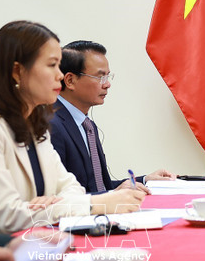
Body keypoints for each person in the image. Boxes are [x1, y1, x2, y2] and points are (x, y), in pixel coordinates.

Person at [0, 21, 145, 234]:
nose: (60, 76)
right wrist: (91, 205)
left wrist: (54, 203)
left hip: (40, 246)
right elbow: (6, 216)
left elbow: (72, 188)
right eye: (51, 65)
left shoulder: (36, 129)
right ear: (18, 71)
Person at [49, 41, 174, 194]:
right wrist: (111, 195)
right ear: (70, 80)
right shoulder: (50, 125)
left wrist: (144, 180)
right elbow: (55, 198)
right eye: (100, 77)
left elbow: (99, 187)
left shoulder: (87, 125)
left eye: (108, 77)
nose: (107, 84)